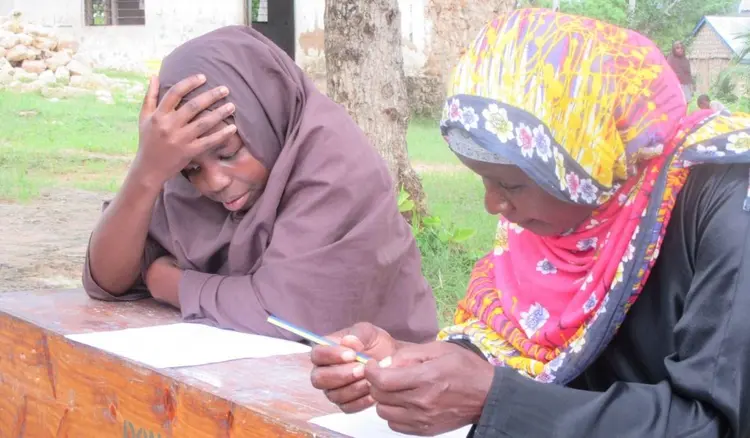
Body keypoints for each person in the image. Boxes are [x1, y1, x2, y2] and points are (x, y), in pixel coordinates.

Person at [309, 9, 750, 437]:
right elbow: (525, 346)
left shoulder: (727, 206)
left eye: (510, 185)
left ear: (587, 158)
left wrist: (496, 401)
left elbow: (711, 422)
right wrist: (412, 361)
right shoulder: (564, 213)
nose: (491, 205)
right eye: (484, 180)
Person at [81, 26, 438, 343]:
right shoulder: (174, 169)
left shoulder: (335, 167)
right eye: (191, 169)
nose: (214, 182)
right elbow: (107, 279)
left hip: (373, 394)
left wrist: (170, 284)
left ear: (267, 113)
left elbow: (287, 316)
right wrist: (147, 172)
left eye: (228, 152)